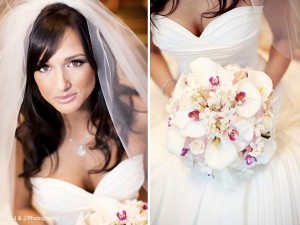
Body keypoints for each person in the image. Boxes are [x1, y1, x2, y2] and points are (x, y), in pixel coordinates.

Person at [150, 0, 300, 224]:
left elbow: (285, 37)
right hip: (188, 117)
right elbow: (150, 51)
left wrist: (259, 103)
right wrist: (175, 92)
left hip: (256, 107)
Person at [0, 0, 147, 224]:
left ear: (97, 59)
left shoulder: (136, 114)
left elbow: (152, 192)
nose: (61, 85)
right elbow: (21, 208)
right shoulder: (25, 135)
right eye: (44, 67)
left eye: (75, 63)